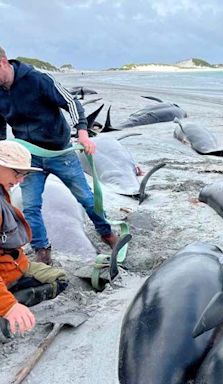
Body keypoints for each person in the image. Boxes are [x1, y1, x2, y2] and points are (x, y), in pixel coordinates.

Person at [0, 46, 118, 265]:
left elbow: (71, 103)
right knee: (31, 206)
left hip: (59, 152)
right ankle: (42, 251)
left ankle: (107, 233)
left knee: (87, 198)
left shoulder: (38, 79)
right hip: (28, 157)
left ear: (4, 62)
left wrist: (82, 132)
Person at [0, 141, 68, 336]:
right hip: (6, 272)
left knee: (57, 276)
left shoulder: (2, 189)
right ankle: (10, 306)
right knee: (59, 280)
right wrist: (9, 306)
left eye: (25, 174)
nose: (21, 180)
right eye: (17, 173)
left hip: (14, 264)